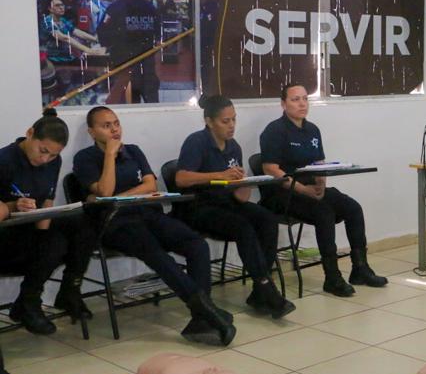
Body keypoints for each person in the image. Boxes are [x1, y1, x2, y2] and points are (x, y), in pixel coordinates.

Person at [72, 106, 235, 345]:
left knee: (196, 244)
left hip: (147, 214)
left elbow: (150, 185)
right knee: (157, 254)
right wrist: (109, 156)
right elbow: (105, 191)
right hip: (115, 224)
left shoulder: (134, 151)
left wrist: (118, 197)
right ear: (91, 131)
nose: (114, 129)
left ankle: (201, 316)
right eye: (106, 126)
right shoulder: (85, 158)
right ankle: (206, 311)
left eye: (116, 123)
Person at [259, 83, 387, 297]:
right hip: (284, 193)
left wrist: (320, 184)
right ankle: (332, 277)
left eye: (305, 99)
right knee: (324, 213)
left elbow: (320, 163)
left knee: (353, 208)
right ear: (283, 104)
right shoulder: (274, 130)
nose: (302, 103)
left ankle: (360, 268)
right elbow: (270, 169)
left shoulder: (312, 129)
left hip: (311, 190)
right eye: (295, 99)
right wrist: (303, 189)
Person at [174, 95, 295, 319]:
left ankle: (260, 289)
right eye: (225, 121)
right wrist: (219, 175)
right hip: (199, 207)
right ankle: (266, 286)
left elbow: (240, 197)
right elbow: (181, 178)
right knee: (242, 227)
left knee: (266, 219)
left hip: (227, 203)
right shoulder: (197, 141)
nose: (231, 126)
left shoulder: (234, 147)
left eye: (234, 120)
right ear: (209, 121)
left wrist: (243, 183)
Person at [0, 109, 99, 333]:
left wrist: (43, 233)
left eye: (53, 155)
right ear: (30, 133)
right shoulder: (4, 161)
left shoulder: (52, 162)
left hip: (29, 229)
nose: (45, 159)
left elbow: (47, 201)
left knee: (80, 223)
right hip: (6, 236)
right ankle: (29, 302)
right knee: (54, 244)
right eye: (43, 150)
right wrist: (14, 206)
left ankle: (68, 290)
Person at [98, 0, 160, 104]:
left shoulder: (115, 9)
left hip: (124, 68)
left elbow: (102, 35)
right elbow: (158, 34)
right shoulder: (151, 8)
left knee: (127, 109)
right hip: (147, 67)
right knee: (153, 108)